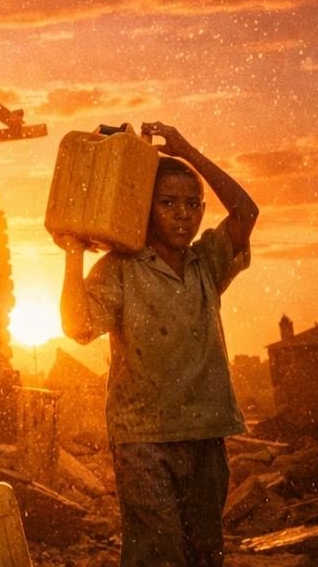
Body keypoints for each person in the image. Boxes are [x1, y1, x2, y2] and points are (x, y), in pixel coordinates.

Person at [60, 122, 260, 567]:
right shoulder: (120, 268)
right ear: (142, 207)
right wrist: (73, 252)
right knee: (158, 553)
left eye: (193, 205)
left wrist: (188, 150)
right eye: (168, 203)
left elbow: (246, 212)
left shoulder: (207, 261)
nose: (183, 214)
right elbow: (77, 327)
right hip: (142, 438)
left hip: (206, 430)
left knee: (205, 551)